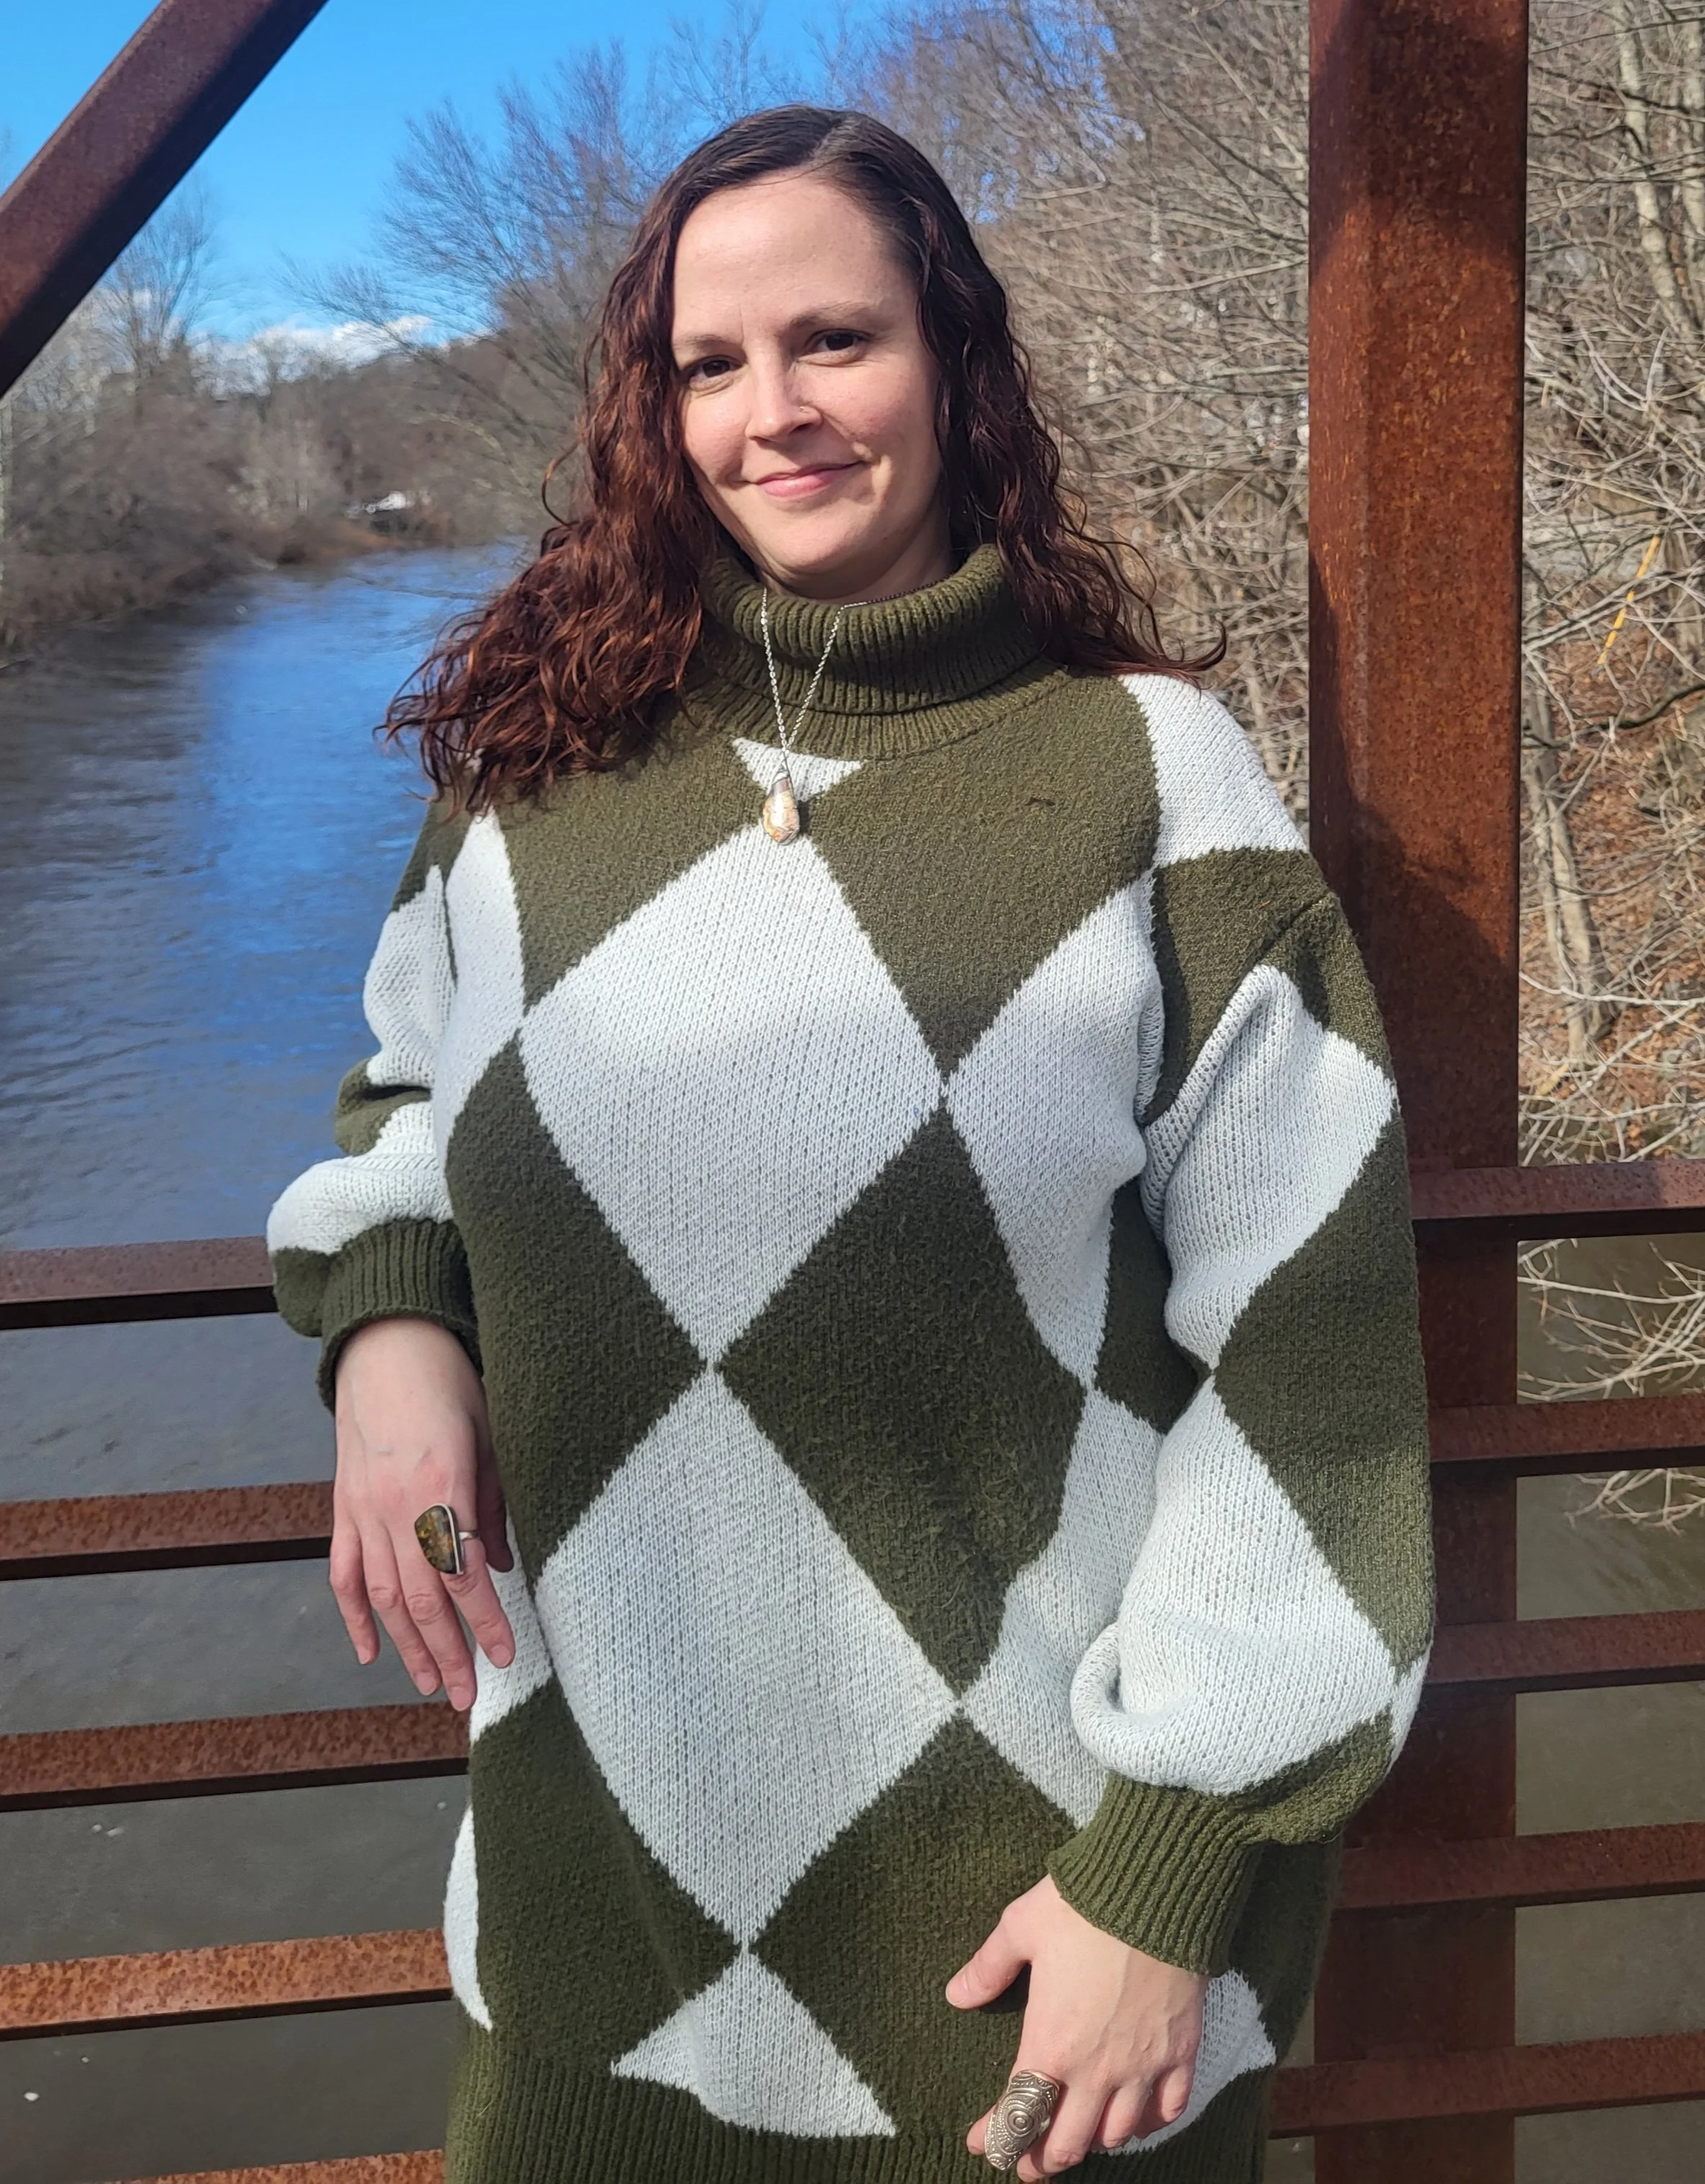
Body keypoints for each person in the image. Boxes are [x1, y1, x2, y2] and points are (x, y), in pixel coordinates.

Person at [267, 105, 1432, 2184]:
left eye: (833, 340)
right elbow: (404, 1102)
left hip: (1037, 1945)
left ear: (952, 362)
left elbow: (1313, 1365)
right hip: (585, 1910)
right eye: (707, 365)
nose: (771, 413)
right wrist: (385, 1339)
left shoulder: (1145, 778)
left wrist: (1161, 1881)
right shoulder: (535, 762)